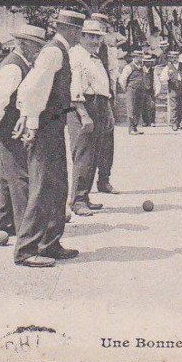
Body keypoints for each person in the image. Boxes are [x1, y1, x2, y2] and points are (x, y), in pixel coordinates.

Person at [12, 9, 84, 267]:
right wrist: (30, 122)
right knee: (42, 187)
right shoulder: (54, 51)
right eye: (79, 31)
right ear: (71, 30)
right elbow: (32, 89)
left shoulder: (60, 51)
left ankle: (50, 244)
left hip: (54, 125)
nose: (80, 36)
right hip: (43, 127)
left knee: (57, 186)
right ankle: (25, 250)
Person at [0, 24, 46, 244]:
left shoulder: (25, 63)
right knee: (20, 176)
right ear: (24, 44)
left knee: (8, 175)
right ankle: (25, 229)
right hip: (9, 126)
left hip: (12, 124)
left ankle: (2, 223)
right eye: (36, 46)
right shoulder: (13, 67)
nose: (38, 51)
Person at [67, 19, 112, 217]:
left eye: (98, 37)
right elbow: (74, 86)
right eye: (91, 36)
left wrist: (107, 109)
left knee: (94, 154)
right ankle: (77, 201)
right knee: (83, 155)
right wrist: (83, 114)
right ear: (81, 36)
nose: (96, 40)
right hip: (83, 106)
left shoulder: (94, 56)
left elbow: (102, 86)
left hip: (99, 105)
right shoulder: (76, 55)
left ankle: (84, 197)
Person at [90, 13, 124, 195]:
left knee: (107, 141)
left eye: (102, 28)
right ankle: (81, 188)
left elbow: (113, 75)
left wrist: (112, 99)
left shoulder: (109, 50)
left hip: (105, 99)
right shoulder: (80, 49)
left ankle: (104, 180)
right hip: (85, 100)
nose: (99, 32)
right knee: (86, 144)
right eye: (96, 28)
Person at [119, 51, 147, 135]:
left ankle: (135, 128)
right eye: (138, 56)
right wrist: (126, 89)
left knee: (138, 109)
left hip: (140, 90)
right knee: (131, 109)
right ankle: (131, 129)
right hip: (131, 90)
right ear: (134, 57)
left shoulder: (142, 67)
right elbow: (122, 80)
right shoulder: (129, 67)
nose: (140, 58)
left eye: (141, 56)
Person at [159, 51, 182, 130]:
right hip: (173, 88)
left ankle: (178, 123)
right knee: (174, 106)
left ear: (178, 57)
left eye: (175, 57)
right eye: (172, 57)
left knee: (181, 106)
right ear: (170, 58)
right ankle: (174, 123)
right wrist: (168, 75)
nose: (174, 59)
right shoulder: (167, 67)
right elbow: (162, 78)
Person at [141, 52, 160, 127]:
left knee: (152, 106)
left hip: (150, 91)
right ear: (144, 62)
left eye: (149, 62)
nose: (147, 63)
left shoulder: (153, 70)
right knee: (143, 106)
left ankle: (152, 121)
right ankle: (145, 121)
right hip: (143, 91)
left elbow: (156, 81)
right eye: (146, 62)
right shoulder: (140, 70)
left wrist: (157, 90)